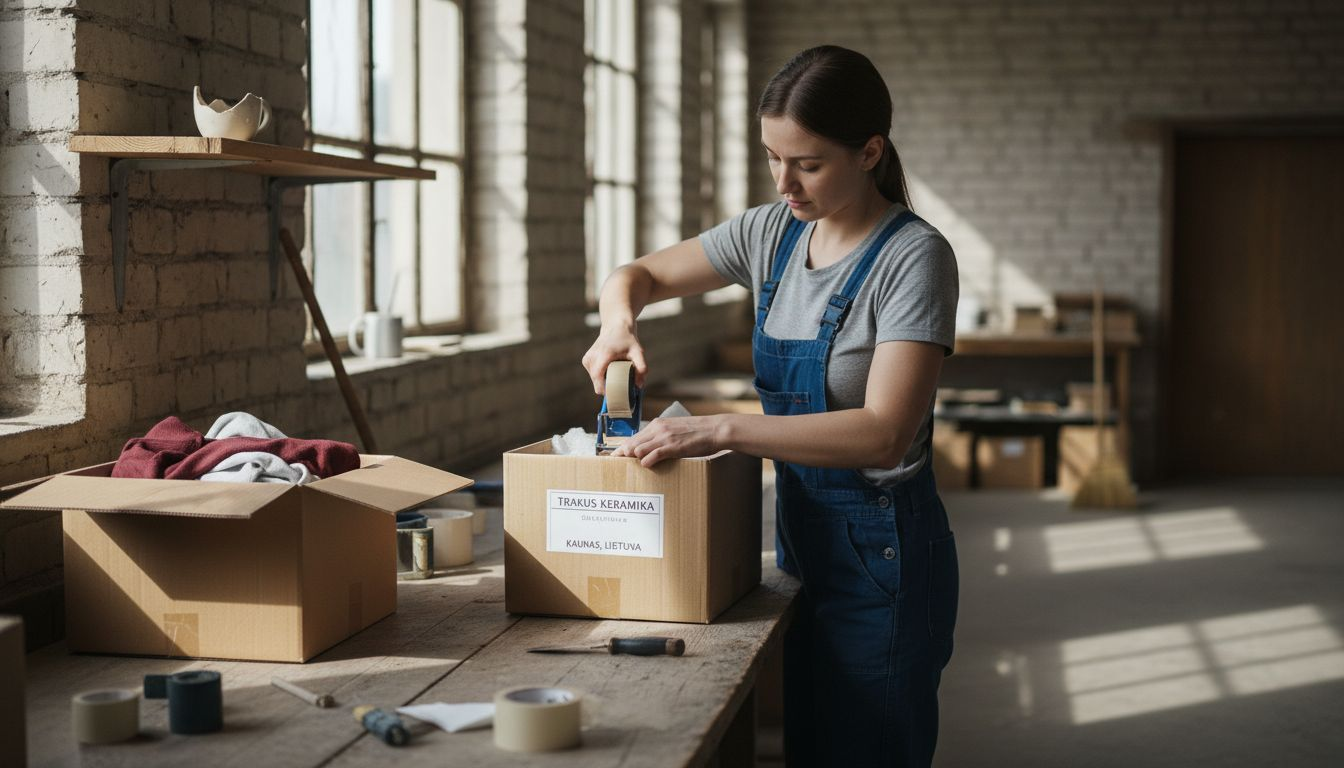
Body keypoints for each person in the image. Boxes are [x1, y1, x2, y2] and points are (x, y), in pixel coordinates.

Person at [582, 45, 959, 767]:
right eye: (771, 157)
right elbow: (637, 273)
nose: (784, 182)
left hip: (885, 557)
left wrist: (720, 428)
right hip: (800, 544)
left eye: (807, 163)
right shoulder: (772, 235)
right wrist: (617, 323)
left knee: (870, 749)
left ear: (869, 152)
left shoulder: (915, 258)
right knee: (810, 745)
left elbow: (883, 434)